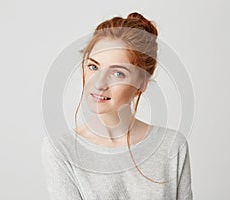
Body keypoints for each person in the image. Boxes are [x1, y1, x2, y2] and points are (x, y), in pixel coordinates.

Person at [42, 12, 193, 200]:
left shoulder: (172, 146)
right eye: (93, 67)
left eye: (118, 74)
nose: (98, 83)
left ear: (141, 85)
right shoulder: (61, 150)